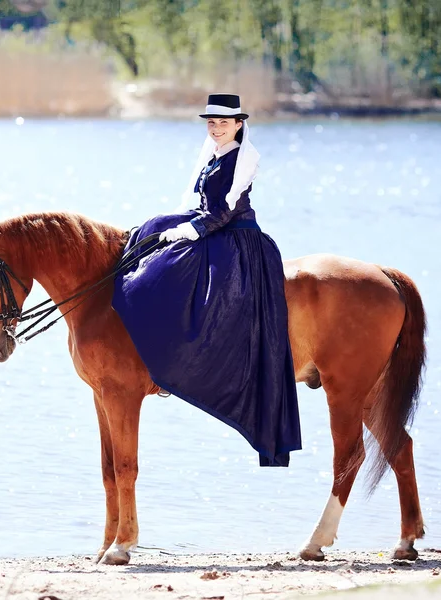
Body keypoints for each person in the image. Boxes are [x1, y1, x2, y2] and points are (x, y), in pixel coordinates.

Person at [112, 94, 301, 467]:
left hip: (233, 235)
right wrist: (179, 225)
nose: (216, 128)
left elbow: (224, 210)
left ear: (239, 125)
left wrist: (190, 231)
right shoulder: (213, 154)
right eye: (211, 123)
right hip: (209, 226)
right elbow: (197, 201)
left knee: (173, 273)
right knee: (150, 232)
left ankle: (183, 352)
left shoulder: (243, 158)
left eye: (223, 123)